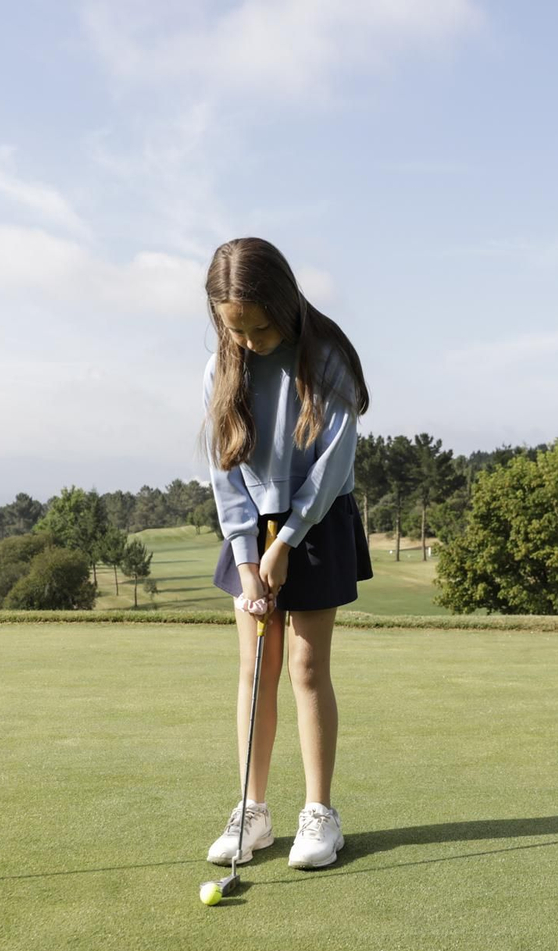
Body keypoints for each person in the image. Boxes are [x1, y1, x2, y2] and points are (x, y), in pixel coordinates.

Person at [201, 237, 372, 870]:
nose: (247, 340)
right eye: (234, 329)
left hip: (316, 522)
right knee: (254, 670)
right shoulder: (225, 366)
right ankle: (253, 811)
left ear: (283, 304)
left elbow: (333, 467)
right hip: (252, 531)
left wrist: (289, 542)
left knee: (305, 668)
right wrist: (249, 556)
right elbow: (225, 474)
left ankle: (319, 814)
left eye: (259, 326)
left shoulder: (326, 359)